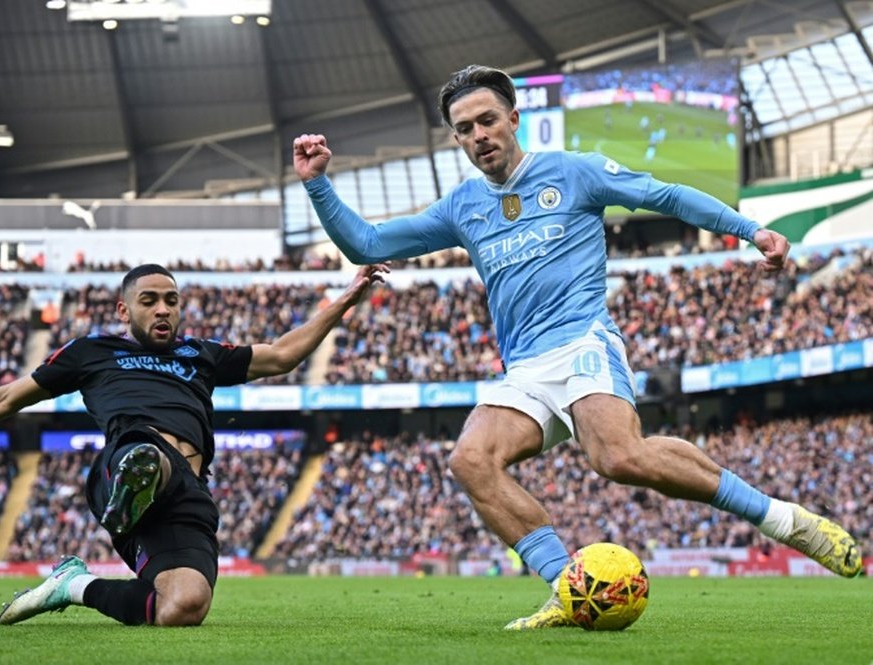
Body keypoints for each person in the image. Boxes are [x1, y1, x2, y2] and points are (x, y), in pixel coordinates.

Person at [292, 65, 862, 630]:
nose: (478, 136)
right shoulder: (461, 207)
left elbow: (662, 195)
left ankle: (787, 521)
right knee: (470, 460)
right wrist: (318, 181)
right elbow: (366, 242)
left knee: (617, 457)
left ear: (514, 119)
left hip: (583, 339)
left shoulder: (574, 173)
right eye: (464, 129)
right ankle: (569, 589)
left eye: (487, 120)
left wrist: (750, 230)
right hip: (524, 369)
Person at [0, 262, 387, 627]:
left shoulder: (201, 354)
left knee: (183, 608)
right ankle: (137, 481)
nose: (163, 309)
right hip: (124, 463)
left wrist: (345, 300)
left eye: (171, 300)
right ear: (125, 309)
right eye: (150, 301)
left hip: (185, 494)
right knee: (146, 449)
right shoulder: (90, 352)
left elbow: (281, 356)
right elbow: (6, 399)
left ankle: (72, 586)